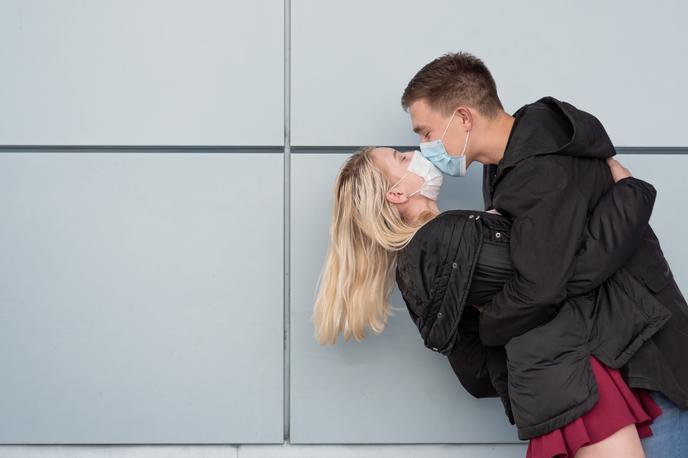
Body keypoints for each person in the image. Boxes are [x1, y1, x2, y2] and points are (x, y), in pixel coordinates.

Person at [399, 51, 688, 456]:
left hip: (640, 363)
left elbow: (545, 285)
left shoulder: (537, 171)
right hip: (623, 351)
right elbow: (566, 268)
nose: (424, 147)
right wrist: (632, 197)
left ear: (463, 117)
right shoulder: (513, 161)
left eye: (426, 132)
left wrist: (490, 322)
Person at [312, 145, 681, 457]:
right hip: (574, 381)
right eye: (401, 157)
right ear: (396, 193)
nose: (417, 152)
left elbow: (475, 373)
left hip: (554, 386)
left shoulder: (421, 259)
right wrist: (630, 192)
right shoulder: (445, 238)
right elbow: (555, 276)